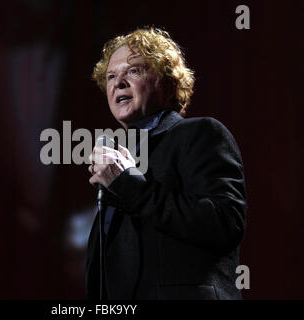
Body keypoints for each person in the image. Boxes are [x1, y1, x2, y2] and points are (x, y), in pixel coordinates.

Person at [86, 28, 247, 300]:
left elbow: (224, 223)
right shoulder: (125, 155)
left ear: (169, 83)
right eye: (111, 76)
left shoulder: (201, 133)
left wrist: (128, 185)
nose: (118, 83)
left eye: (134, 71)